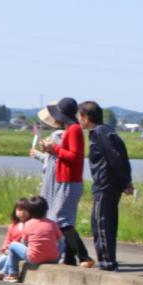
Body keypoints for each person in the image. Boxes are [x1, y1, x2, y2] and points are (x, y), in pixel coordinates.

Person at [39, 97, 95, 267]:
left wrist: (53, 148)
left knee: (60, 219)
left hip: (69, 180)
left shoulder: (74, 130)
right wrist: (53, 150)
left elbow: (74, 156)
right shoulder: (72, 129)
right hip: (67, 179)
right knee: (66, 220)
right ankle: (70, 259)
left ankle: (84, 257)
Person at [79, 101, 133, 271]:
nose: (78, 121)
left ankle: (108, 263)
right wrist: (126, 181)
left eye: (79, 117)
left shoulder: (100, 133)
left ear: (86, 117)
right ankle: (108, 262)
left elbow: (116, 158)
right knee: (103, 223)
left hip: (105, 185)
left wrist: (125, 182)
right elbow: (122, 156)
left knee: (101, 224)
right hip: (109, 184)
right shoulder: (106, 130)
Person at [0, 195, 63, 283]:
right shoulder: (53, 224)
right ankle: (4, 272)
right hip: (53, 258)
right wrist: (58, 255)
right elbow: (61, 242)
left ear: (30, 211)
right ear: (46, 210)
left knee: (13, 245)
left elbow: (24, 243)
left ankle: (12, 275)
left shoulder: (28, 224)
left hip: (34, 258)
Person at [0, 197, 31, 281]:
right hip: (9, 252)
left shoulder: (30, 225)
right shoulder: (13, 226)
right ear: (15, 211)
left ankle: (3, 273)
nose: (22, 213)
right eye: (19, 210)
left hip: (21, 252)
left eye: (25, 210)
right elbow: (7, 240)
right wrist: (5, 250)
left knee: (8, 258)